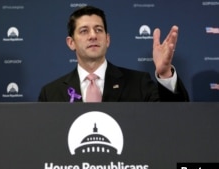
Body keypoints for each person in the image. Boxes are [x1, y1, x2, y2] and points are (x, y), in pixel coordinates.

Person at [38, 6, 189, 102]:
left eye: (98, 30)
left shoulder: (139, 83)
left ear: (107, 39)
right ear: (71, 43)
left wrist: (165, 75)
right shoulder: (51, 94)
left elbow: (174, 118)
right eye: (84, 31)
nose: (93, 36)